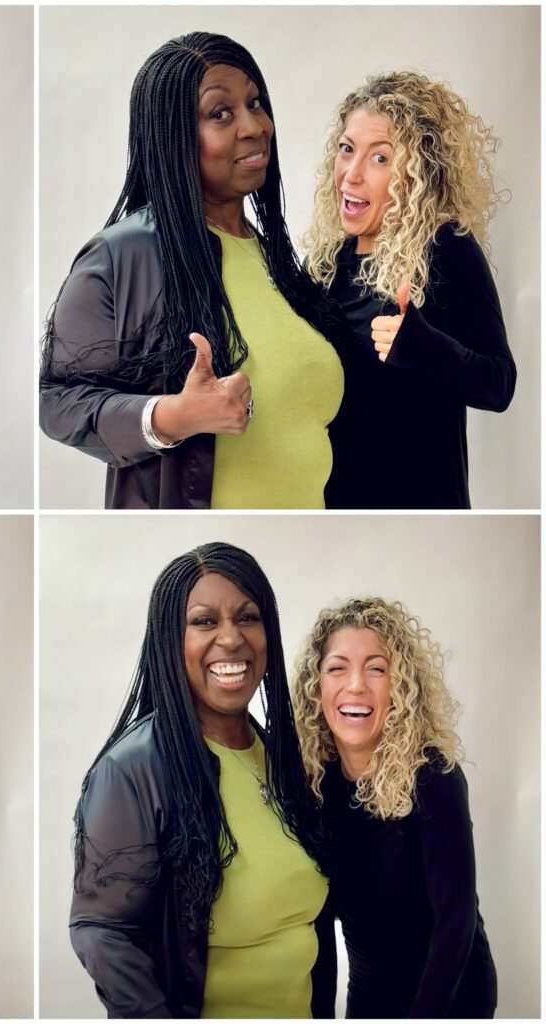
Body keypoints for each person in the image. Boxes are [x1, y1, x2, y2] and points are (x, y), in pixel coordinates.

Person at [40, 32, 348, 510]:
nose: (253, 126)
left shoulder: (277, 262)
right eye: (220, 113)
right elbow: (56, 401)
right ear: (173, 135)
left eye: (255, 103)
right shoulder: (124, 255)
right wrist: (173, 415)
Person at [70, 543, 334, 1018]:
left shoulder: (282, 757)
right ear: (171, 640)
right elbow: (102, 933)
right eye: (204, 621)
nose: (231, 639)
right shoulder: (132, 770)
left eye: (247, 618)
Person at [304, 72, 516, 509]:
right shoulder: (326, 264)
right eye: (347, 150)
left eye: (380, 159)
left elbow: (499, 385)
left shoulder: (446, 248)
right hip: (334, 506)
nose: (352, 175)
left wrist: (425, 347)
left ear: (417, 173)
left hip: (421, 498)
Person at [292, 597, 497, 1017]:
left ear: (401, 688)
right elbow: (318, 924)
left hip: (451, 991)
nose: (355, 685)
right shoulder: (315, 784)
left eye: (377, 668)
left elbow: (454, 925)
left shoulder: (434, 778)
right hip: (369, 994)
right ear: (316, 688)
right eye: (337, 668)